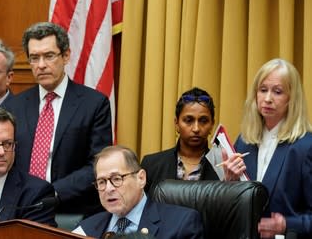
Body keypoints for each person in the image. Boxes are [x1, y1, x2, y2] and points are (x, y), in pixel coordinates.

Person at [9, 22, 112, 216]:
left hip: (71, 209)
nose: (41, 65)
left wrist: (50, 192)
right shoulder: (15, 106)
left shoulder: (94, 104)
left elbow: (98, 163)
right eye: (34, 58)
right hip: (19, 208)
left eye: (49, 56)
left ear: (66, 56)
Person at [221, 58, 312, 239]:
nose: (268, 99)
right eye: (263, 90)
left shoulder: (306, 146)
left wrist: (287, 224)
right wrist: (229, 182)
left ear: (292, 98)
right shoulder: (244, 140)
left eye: (277, 92)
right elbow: (236, 208)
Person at [73, 145, 204, 239]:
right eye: (101, 182)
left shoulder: (181, 224)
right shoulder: (86, 228)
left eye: (116, 179)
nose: (108, 188)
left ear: (141, 178)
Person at [141, 87, 219, 193]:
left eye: (203, 121)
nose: (196, 128)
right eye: (188, 120)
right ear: (176, 123)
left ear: (212, 125)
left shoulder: (222, 168)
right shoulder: (152, 165)